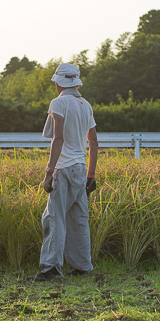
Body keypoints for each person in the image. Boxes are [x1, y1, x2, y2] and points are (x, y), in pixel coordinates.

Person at [33, 62, 98, 281]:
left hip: (63, 168)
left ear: (59, 82)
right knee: (78, 217)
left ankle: (51, 268)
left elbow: (57, 138)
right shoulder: (86, 105)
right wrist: (92, 174)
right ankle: (82, 266)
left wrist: (49, 171)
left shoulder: (58, 103)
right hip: (80, 168)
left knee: (54, 217)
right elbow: (94, 142)